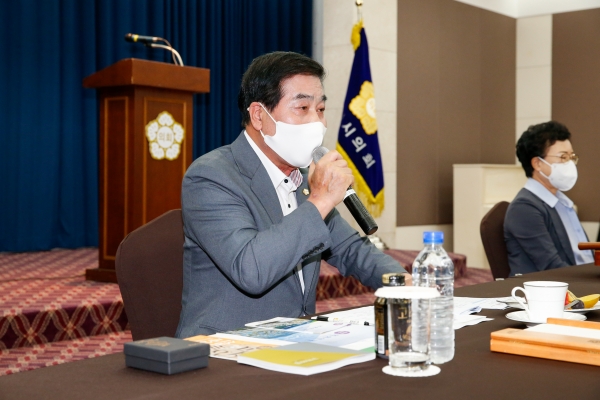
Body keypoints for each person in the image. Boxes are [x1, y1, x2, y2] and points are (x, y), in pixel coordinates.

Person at [175, 52, 409, 338]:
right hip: (226, 345)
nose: (317, 123)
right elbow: (251, 271)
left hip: (296, 339)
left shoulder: (303, 181)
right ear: (259, 115)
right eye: (302, 108)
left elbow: (351, 249)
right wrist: (321, 200)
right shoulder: (211, 177)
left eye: (320, 109)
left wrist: (403, 283)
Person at [504, 121, 593, 276]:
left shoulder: (563, 203)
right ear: (537, 163)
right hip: (552, 287)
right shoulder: (524, 208)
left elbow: (585, 256)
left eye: (571, 157)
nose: (570, 164)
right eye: (563, 157)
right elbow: (552, 267)